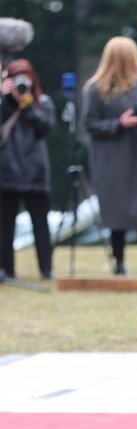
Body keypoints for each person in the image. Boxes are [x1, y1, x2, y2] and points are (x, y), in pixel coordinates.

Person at [83, 37, 137, 276]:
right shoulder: (96, 89)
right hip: (113, 160)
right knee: (118, 212)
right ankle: (119, 263)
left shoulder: (134, 86)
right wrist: (118, 123)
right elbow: (89, 123)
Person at [0, 59, 55, 280]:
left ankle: (46, 268)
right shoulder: (3, 102)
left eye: (26, 77)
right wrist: (6, 102)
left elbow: (46, 127)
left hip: (35, 173)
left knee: (41, 224)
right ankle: (6, 269)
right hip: (6, 172)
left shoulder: (43, 102)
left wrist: (27, 104)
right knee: (4, 227)